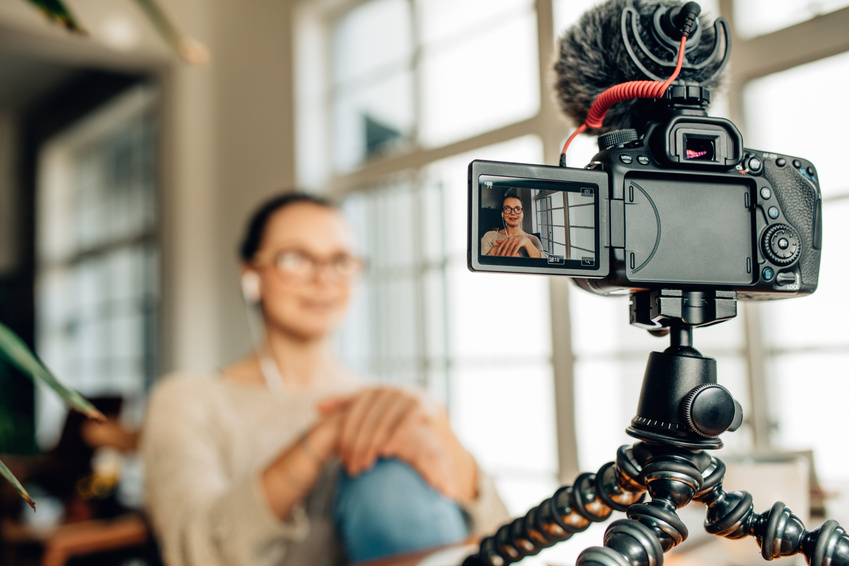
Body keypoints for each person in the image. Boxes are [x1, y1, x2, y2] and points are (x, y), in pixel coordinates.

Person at [140, 192, 509, 566]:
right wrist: (327, 434)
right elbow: (193, 552)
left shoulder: (389, 402)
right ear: (251, 274)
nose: (323, 278)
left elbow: (506, 538)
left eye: (340, 260)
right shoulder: (188, 400)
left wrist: (436, 426)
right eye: (296, 258)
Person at [481, 192, 545, 258]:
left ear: (522, 213)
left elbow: (544, 266)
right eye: (508, 208)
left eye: (517, 209)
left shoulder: (534, 239)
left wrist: (527, 243)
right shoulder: (490, 236)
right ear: (502, 213)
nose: (513, 213)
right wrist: (493, 252)